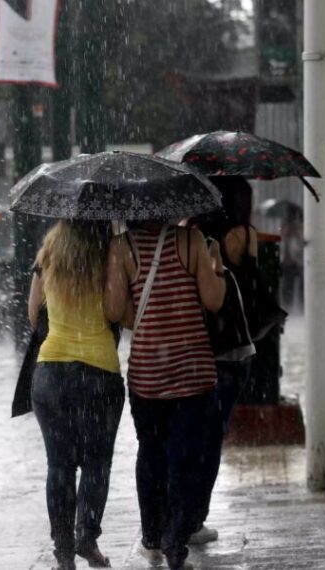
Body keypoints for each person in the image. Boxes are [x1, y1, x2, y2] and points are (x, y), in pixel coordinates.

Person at [108, 220, 225, 570]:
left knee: (151, 453)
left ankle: (152, 537)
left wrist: (146, 319)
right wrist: (215, 264)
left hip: (147, 374)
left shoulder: (121, 247)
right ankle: (176, 543)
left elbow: (115, 311)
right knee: (185, 458)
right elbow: (214, 300)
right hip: (192, 371)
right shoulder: (191, 241)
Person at [26, 220, 126, 570]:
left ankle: (63, 552)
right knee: (96, 464)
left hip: (51, 373)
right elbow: (115, 311)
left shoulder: (49, 251)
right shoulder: (110, 250)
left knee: (59, 464)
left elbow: (33, 312)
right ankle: (87, 537)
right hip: (98, 373)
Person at [187, 176, 261, 546]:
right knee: (212, 440)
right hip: (234, 347)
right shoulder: (244, 235)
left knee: (191, 435)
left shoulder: (197, 238)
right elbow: (252, 284)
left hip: (200, 347)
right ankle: (195, 516)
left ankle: (183, 513)